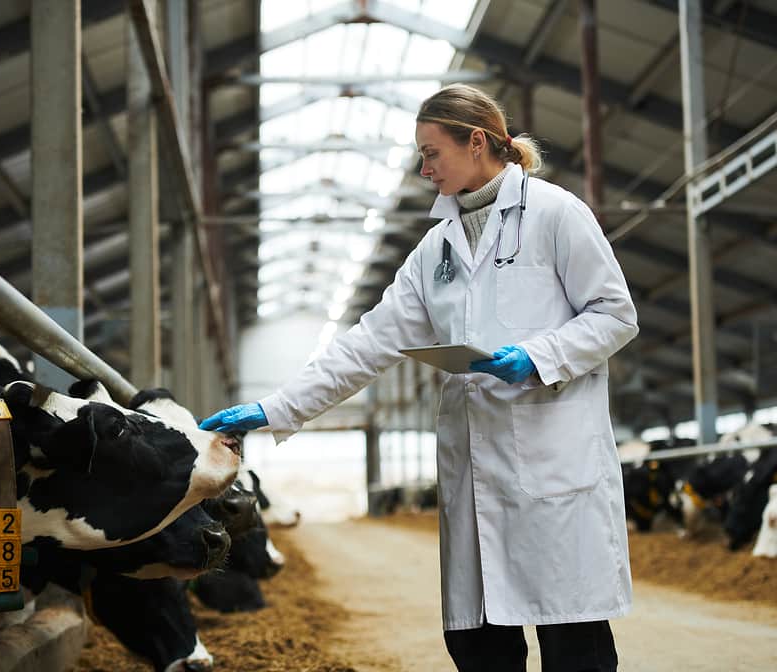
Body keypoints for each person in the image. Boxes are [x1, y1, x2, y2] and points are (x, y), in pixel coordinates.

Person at [200, 83, 638, 672]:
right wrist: (273, 408)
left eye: (431, 152)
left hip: (553, 471)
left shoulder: (557, 215)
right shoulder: (435, 251)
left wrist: (538, 357)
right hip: (475, 480)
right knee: (478, 648)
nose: (423, 167)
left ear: (476, 142)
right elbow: (366, 344)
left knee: (572, 647)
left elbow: (615, 314)